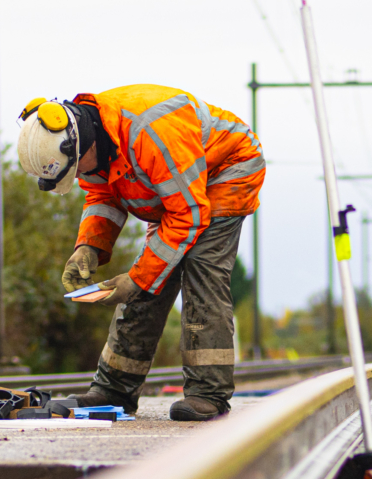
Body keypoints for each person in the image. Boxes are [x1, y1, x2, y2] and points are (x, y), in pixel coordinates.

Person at [15, 87, 265, 421]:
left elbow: (188, 215)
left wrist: (137, 280)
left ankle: (208, 393)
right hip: (175, 188)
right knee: (151, 277)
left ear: (81, 145)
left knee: (200, 272)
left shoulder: (151, 136)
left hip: (225, 170)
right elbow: (102, 197)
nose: (78, 177)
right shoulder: (92, 141)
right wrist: (89, 248)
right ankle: (114, 391)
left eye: (75, 170)